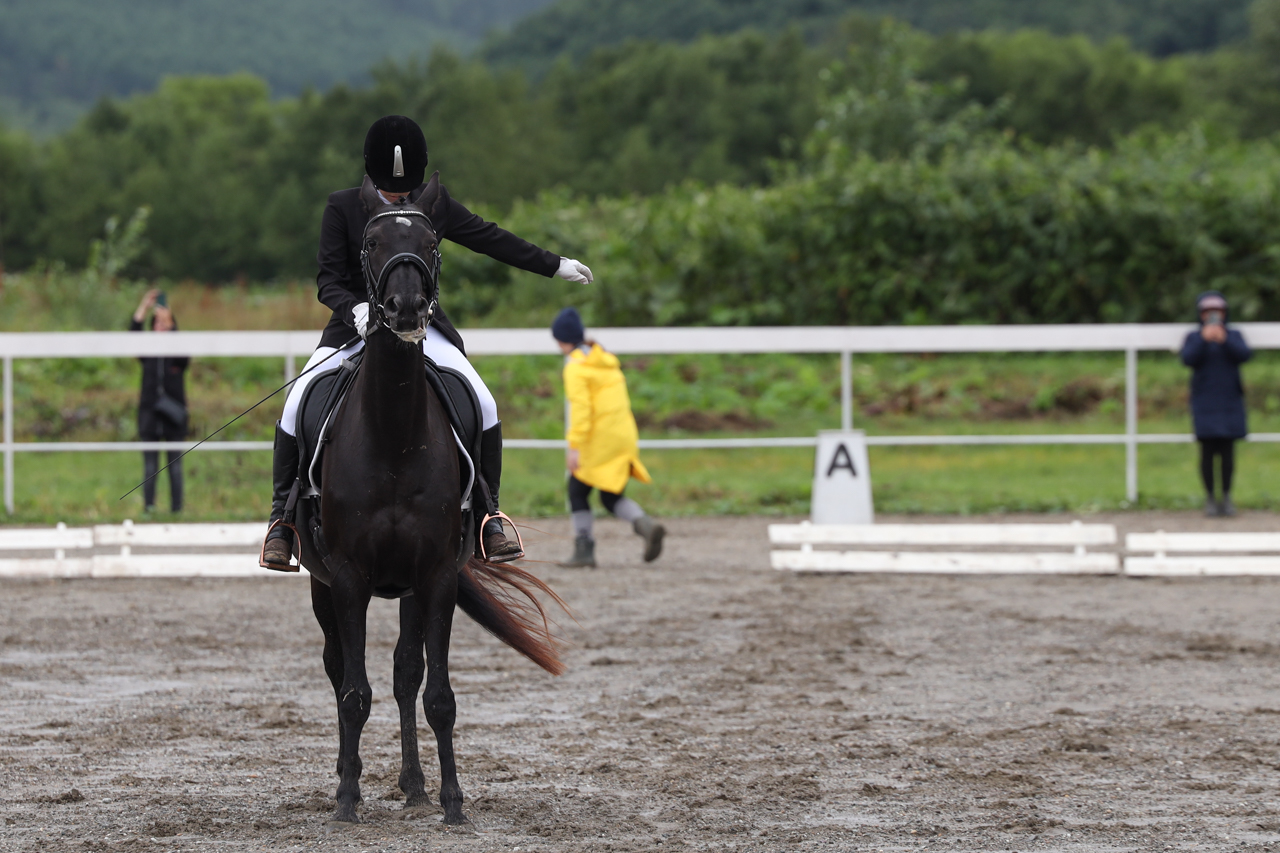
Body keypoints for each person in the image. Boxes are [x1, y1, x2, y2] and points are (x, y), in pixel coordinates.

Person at [261, 115, 594, 570]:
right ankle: (283, 521)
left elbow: (489, 238)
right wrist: (354, 309)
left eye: (406, 190)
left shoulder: (431, 205)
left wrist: (555, 265)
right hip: (354, 328)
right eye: (391, 192)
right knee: (297, 403)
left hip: (422, 326)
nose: (401, 198)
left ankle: (488, 515)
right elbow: (328, 280)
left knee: (485, 401)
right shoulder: (342, 207)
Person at [552, 307, 664, 568]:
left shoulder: (576, 367)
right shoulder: (606, 359)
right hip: (622, 436)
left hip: (597, 439)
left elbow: (581, 409)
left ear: (562, 339)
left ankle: (584, 549)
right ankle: (646, 525)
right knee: (610, 497)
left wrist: (575, 446)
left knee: (576, 491)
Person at [1180, 291, 1252, 517]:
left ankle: (1227, 496)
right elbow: (1188, 359)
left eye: (1218, 311)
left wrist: (1224, 339)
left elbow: (1244, 355)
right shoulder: (1194, 337)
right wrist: (1204, 339)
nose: (1213, 315)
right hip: (1204, 403)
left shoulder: (1234, 335)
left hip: (1229, 402)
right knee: (1207, 453)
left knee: (1228, 453)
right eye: (1207, 311)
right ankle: (1210, 497)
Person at [130, 288, 188, 514]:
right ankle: (149, 508)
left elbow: (184, 357)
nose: (160, 328)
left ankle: (177, 510)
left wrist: (170, 323)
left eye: (164, 325)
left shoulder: (179, 353)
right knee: (150, 467)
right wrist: (144, 307)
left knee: (175, 467)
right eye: (156, 325)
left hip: (173, 415)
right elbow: (133, 336)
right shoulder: (147, 353)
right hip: (150, 415)